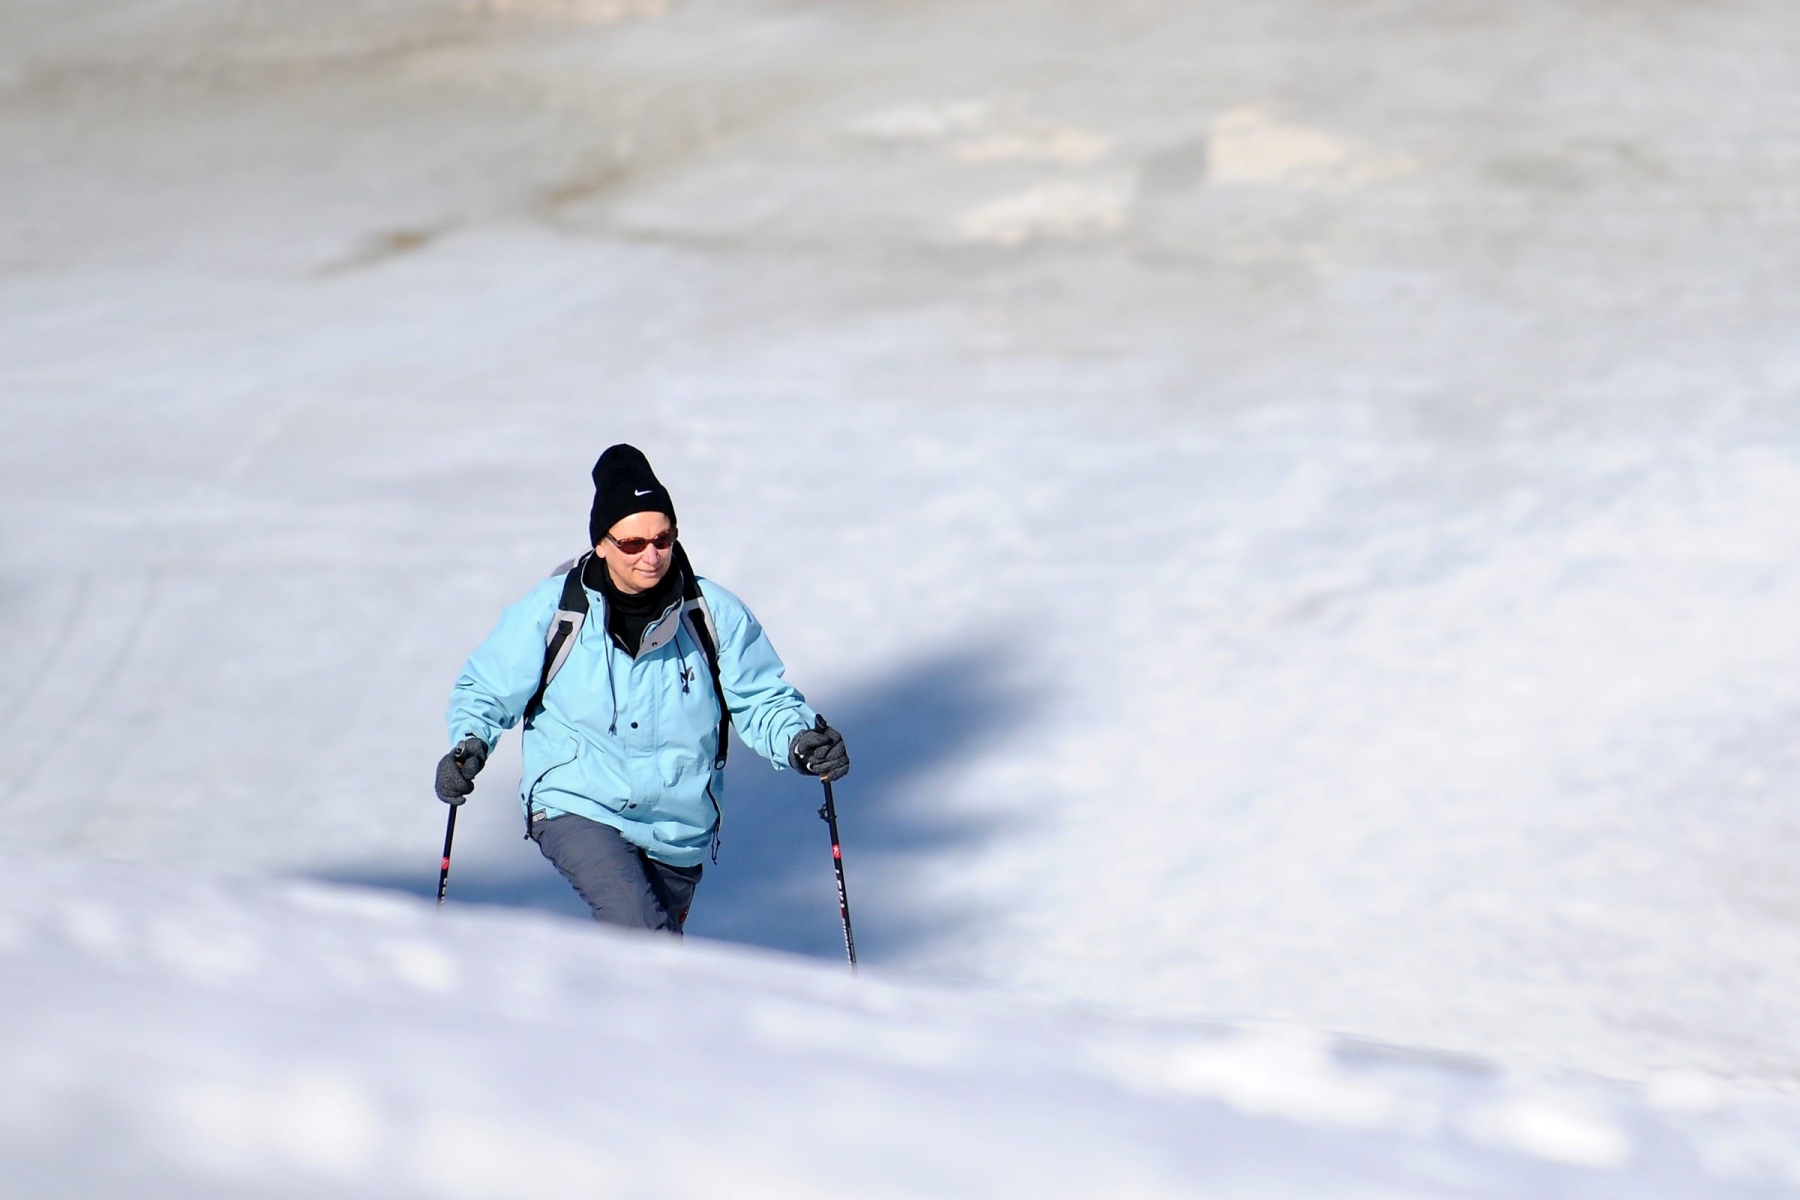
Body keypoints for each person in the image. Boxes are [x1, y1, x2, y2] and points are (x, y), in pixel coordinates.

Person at [434, 444, 849, 933]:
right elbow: (488, 685)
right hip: (577, 804)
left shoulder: (710, 614)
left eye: (663, 539)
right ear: (602, 544)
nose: (651, 555)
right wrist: (470, 745)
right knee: (637, 926)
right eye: (632, 543)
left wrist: (801, 740)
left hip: (679, 829)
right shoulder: (555, 611)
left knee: (651, 976)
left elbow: (760, 699)